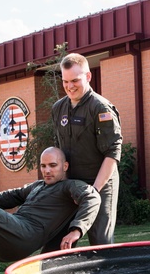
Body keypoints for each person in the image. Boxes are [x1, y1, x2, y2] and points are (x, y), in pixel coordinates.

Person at [50, 53, 122, 246]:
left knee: (100, 243)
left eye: (75, 80)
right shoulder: (58, 108)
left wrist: (94, 191)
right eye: (65, 81)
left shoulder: (101, 108)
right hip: (71, 183)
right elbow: (59, 149)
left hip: (99, 183)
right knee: (60, 237)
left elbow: (112, 154)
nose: (69, 86)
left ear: (88, 77)